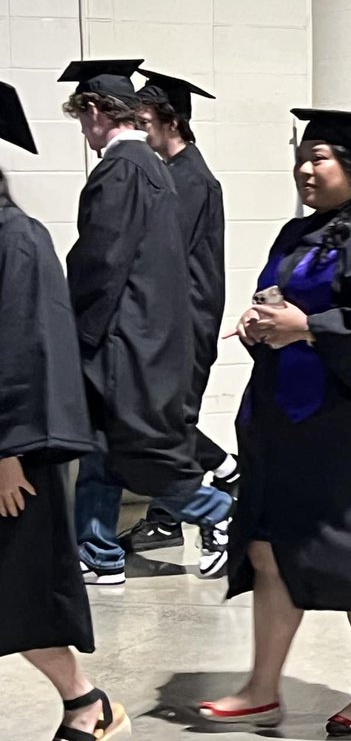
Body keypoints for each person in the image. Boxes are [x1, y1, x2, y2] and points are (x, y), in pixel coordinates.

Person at [202, 109, 351, 735]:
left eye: (320, 157)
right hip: (288, 425)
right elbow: (275, 301)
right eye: (302, 155)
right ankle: (262, 687)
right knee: (269, 549)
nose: (305, 168)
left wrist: (308, 328)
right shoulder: (296, 234)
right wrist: (259, 322)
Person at [58, 60, 232, 586]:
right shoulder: (156, 169)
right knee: (104, 444)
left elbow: (101, 260)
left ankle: (215, 510)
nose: (85, 135)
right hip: (142, 335)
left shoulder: (120, 169)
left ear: (94, 111)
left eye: (82, 121)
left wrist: (75, 329)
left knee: (129, 448)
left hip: (119, 337)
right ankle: (98, 550)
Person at [0, 82, 131, 740]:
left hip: (12, 456)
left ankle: (87, 702)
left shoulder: (16, 240)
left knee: (19, 601)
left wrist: (8, 453)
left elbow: (25, 350)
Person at [119, 69, 239, 572]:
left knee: (166, 423)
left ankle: (223, 495)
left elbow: (165, 258)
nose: (139, 130)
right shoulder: (168, 172)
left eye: (144, 120)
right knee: (164, 421)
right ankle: (171, 515)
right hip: (170, 319)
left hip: (185, 323)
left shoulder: (190, 180)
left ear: (170, 122)